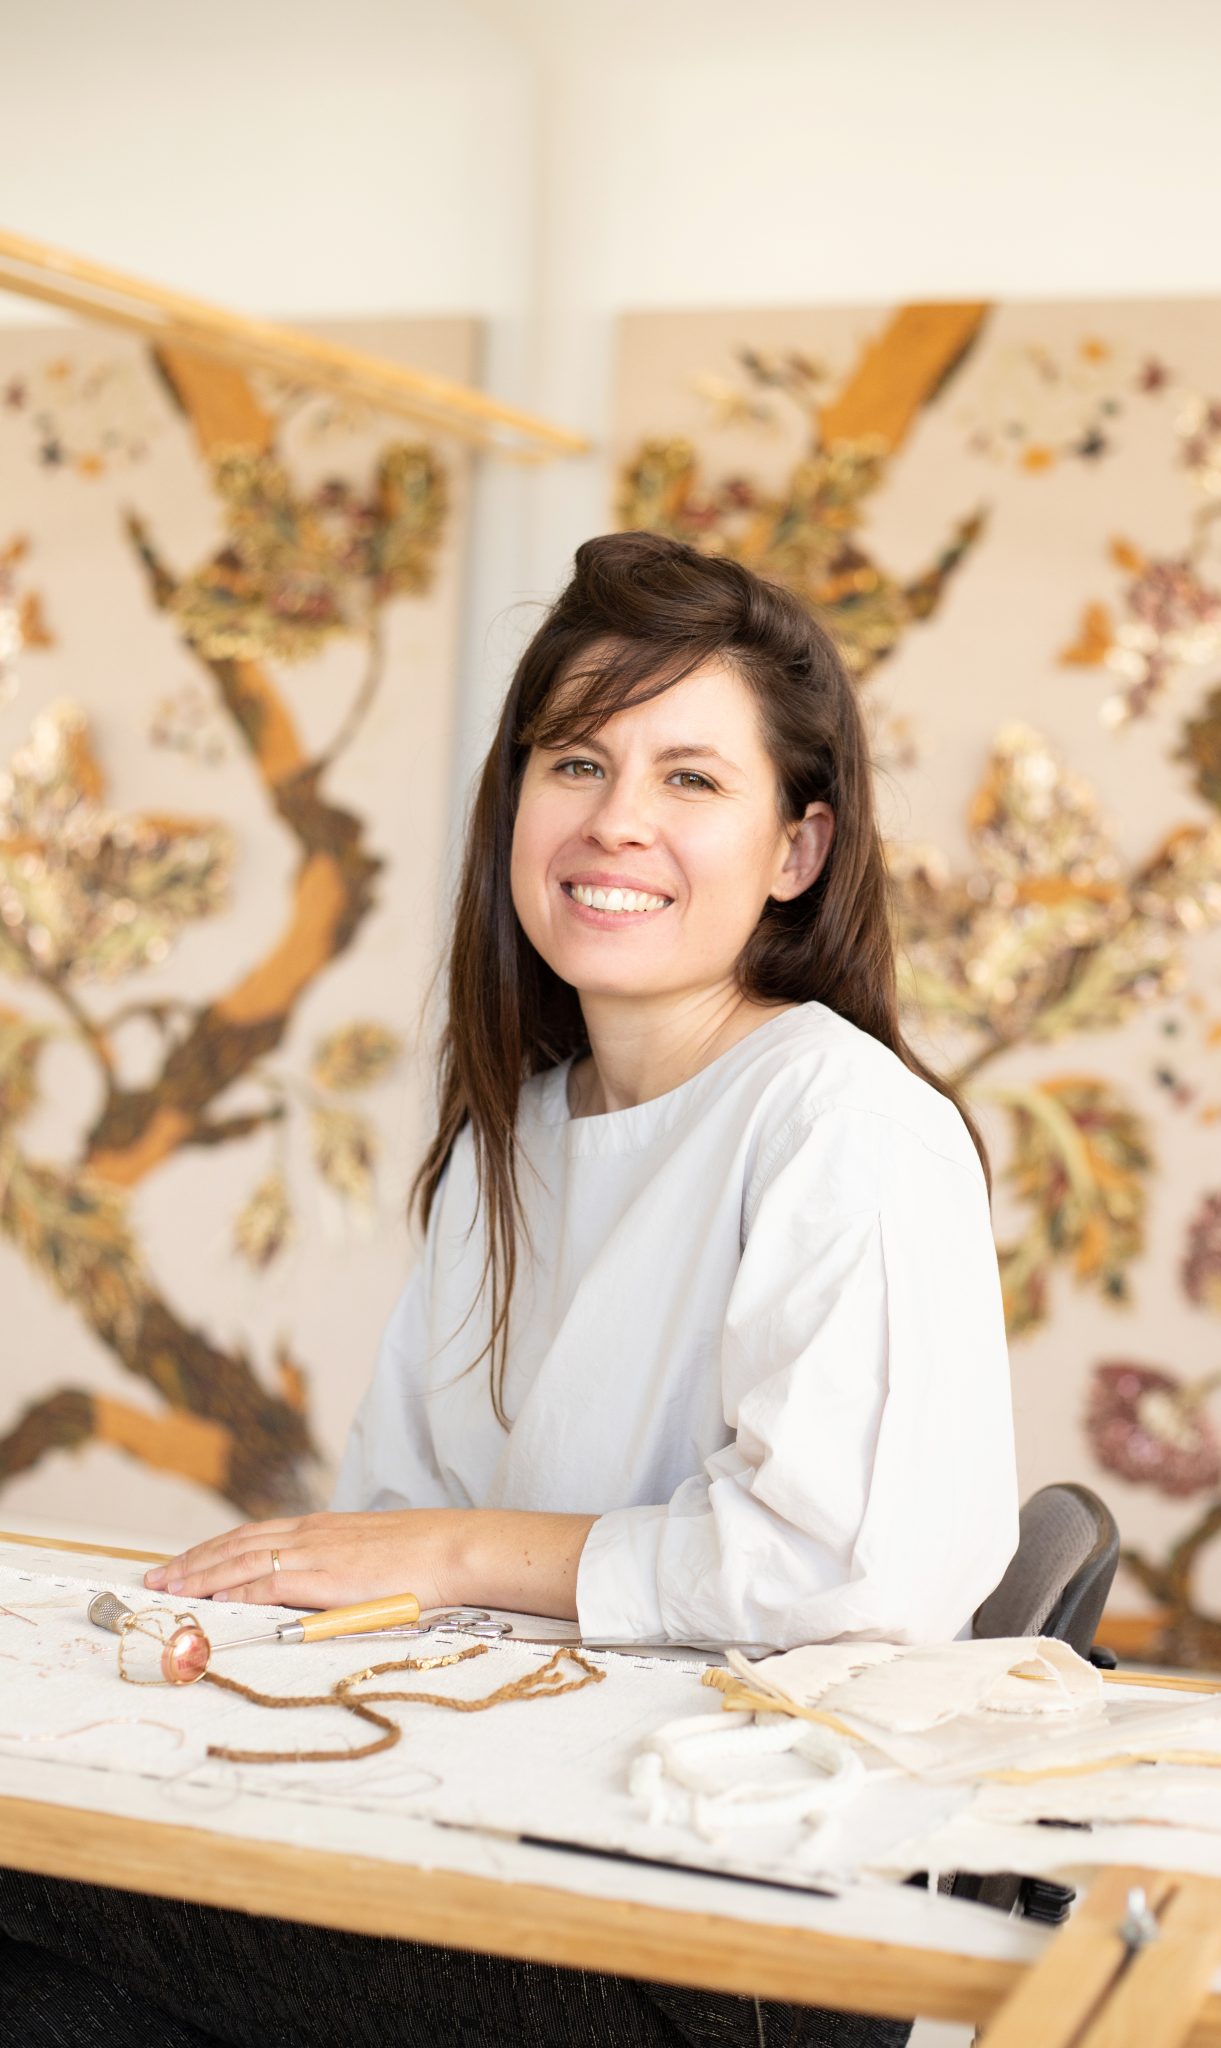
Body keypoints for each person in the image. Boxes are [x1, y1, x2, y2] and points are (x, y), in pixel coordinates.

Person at [0, 533, 1018, 2047]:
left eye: (690, 778)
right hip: (506, 1809)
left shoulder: (844, 1125)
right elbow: (389, 1522)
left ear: (795, 852)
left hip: (730, 1925)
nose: (616, 823)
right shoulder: (516, 1132)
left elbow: (851, 1570)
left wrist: (469, 1551)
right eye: (577, 763)